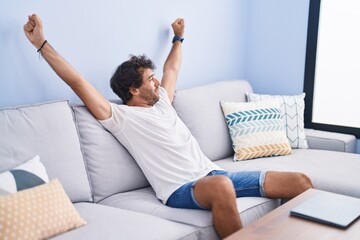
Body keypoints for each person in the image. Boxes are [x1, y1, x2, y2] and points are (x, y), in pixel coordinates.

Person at [24, 14, 313, 239]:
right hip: (181, 189)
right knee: (222, 186)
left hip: (214, 174)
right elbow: (77, 81)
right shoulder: (120, 117)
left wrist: (178, 38)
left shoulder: (162, 101)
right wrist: (41, 44)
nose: (158, 81)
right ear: (134, 90)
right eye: (150, 79)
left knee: (299, 182)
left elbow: (172, 68)